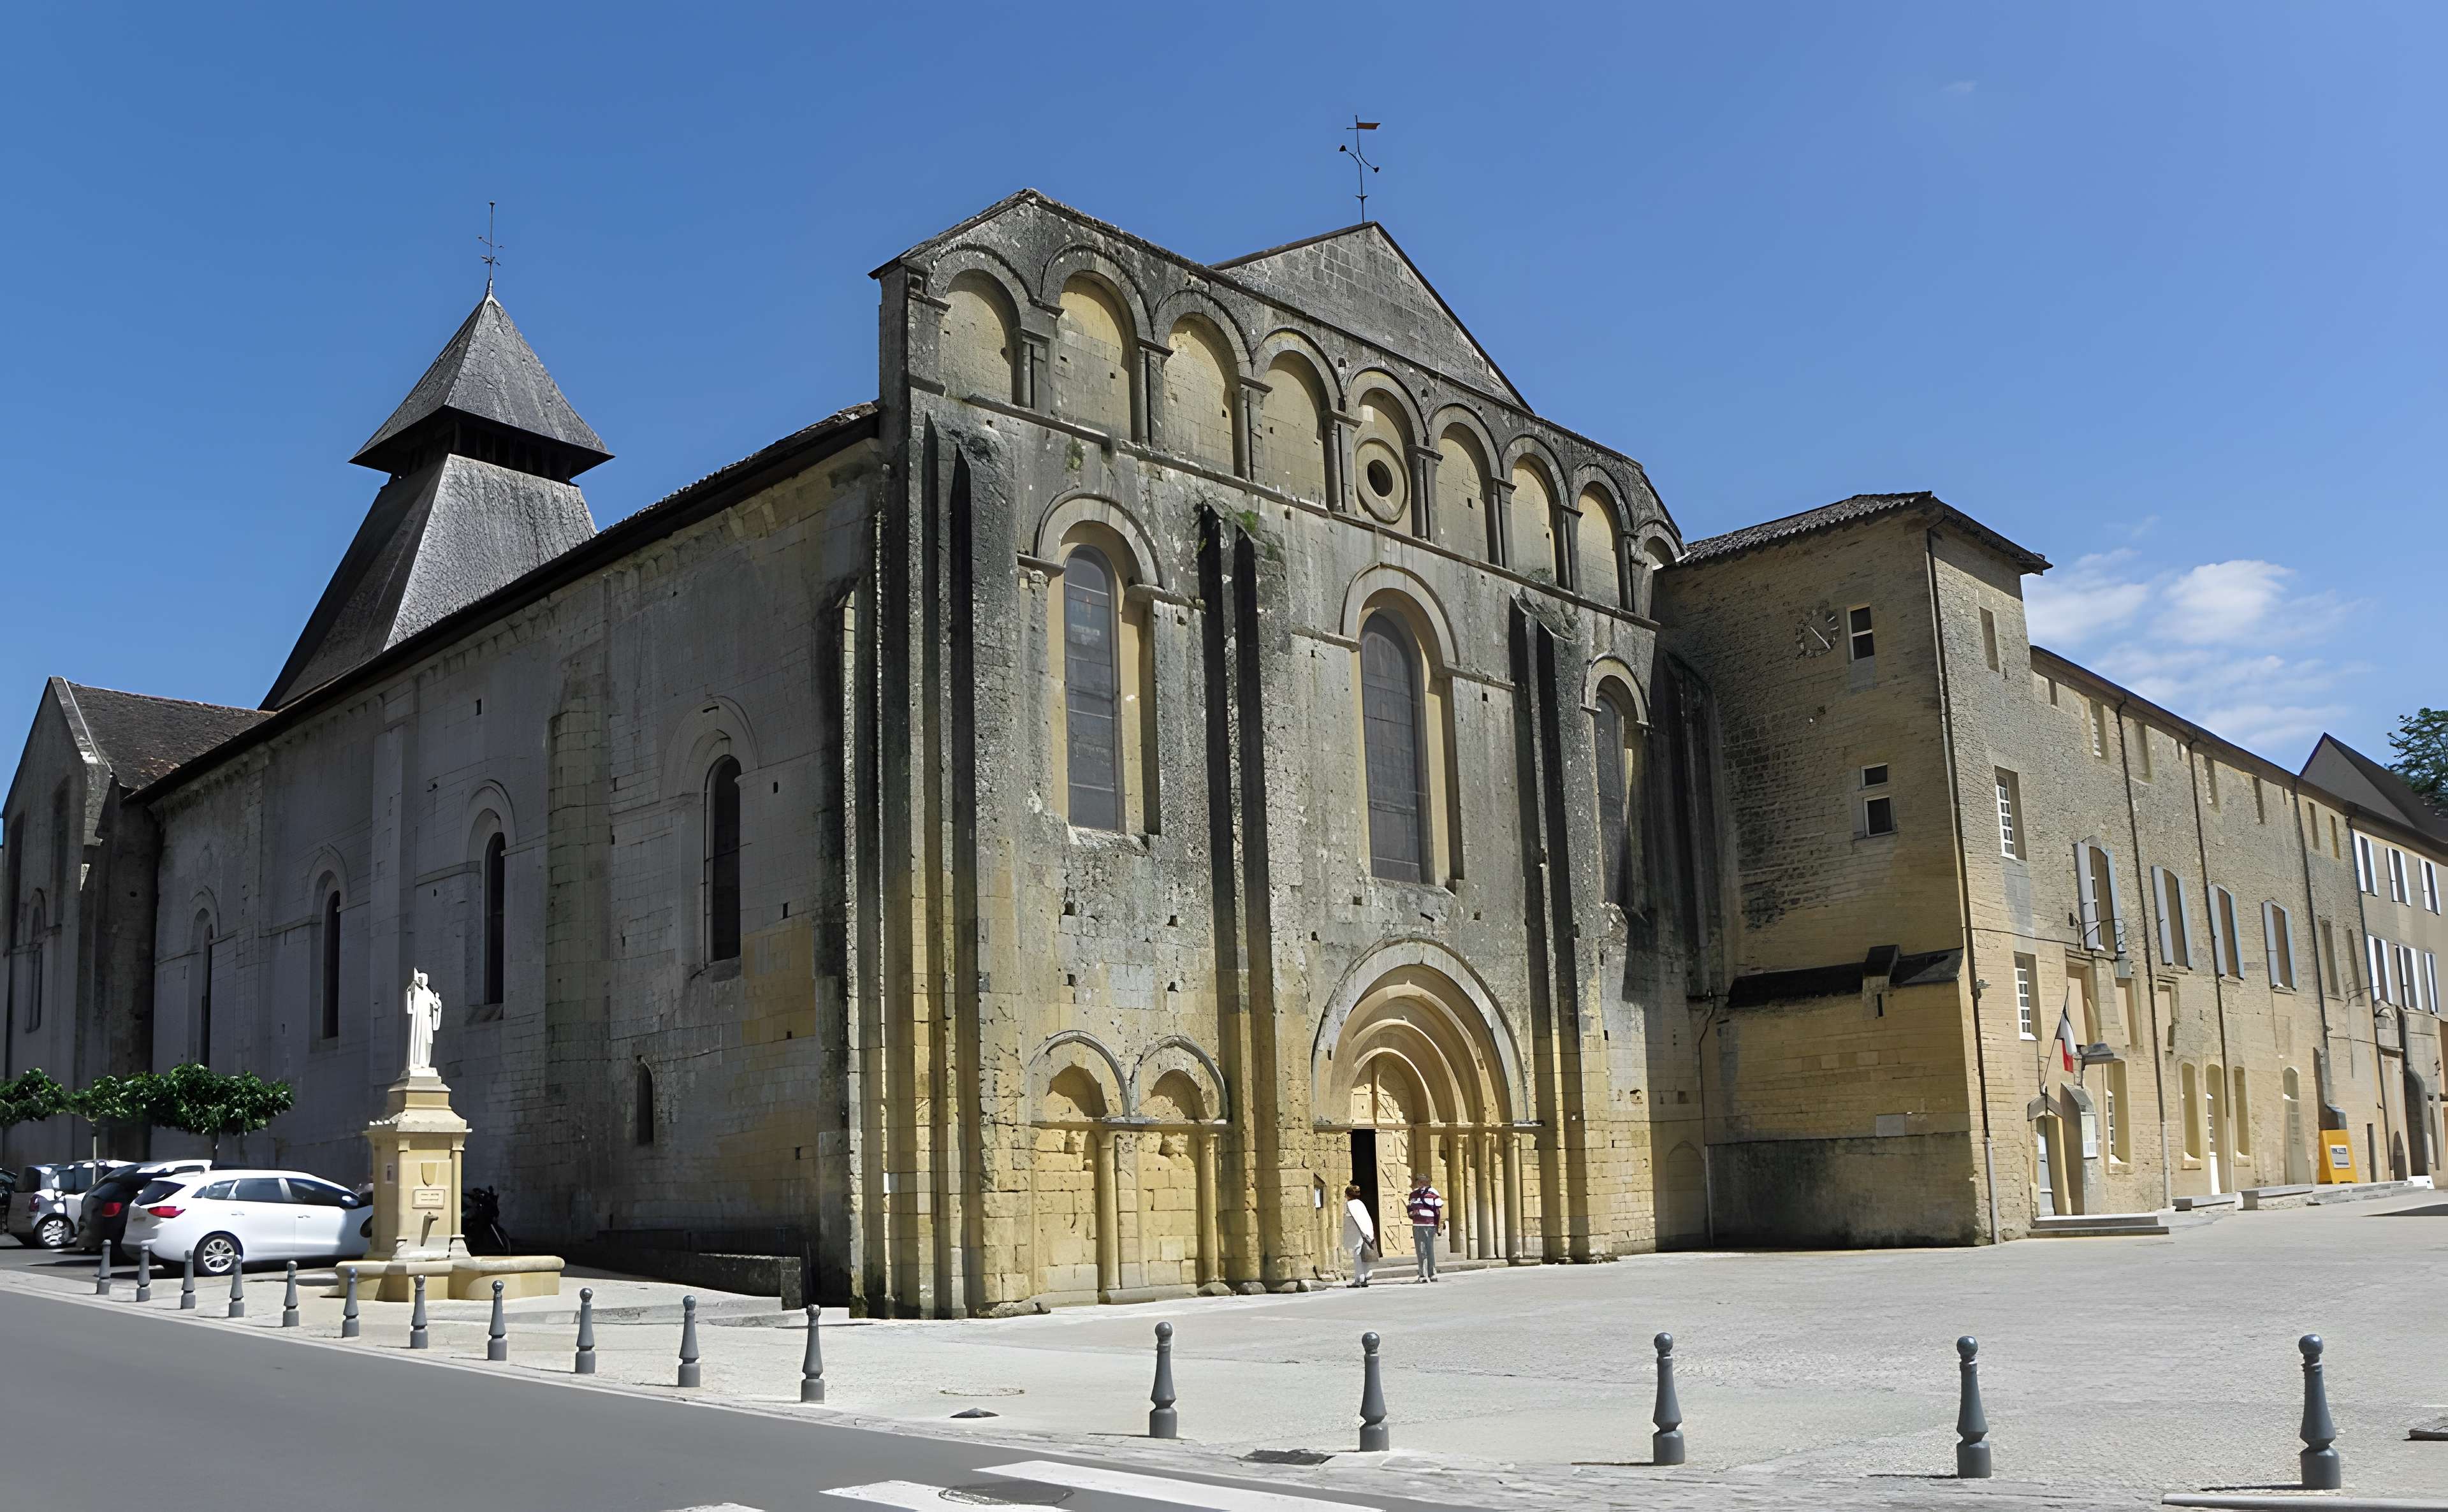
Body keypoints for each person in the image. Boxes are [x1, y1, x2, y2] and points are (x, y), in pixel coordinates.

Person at [1406, 1173, 1445, 1282]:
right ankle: (1423, 1275)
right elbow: (1409, 1208)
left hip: (1429, 1224)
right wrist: (1412, 1213)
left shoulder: (1433, 1192)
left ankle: (1432, 1273)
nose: (1422, 1183)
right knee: (1420, 1251)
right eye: (1420, 1181)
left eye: (1424, 1181)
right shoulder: (1413, 1195)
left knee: (1430, 1249)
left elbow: (1439, 1205)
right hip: (1418, 1225)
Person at [1341, 1184, 1378, 1287]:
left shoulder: (1350, 1205)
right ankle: (1365, 1276)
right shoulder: (1360, 1204)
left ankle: (1359, 1279)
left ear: (1348, 1195)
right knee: (1363, 1254)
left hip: (1358, 1233)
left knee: (1357, 1255)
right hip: (1365, 1232)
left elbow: (1351, 1221)